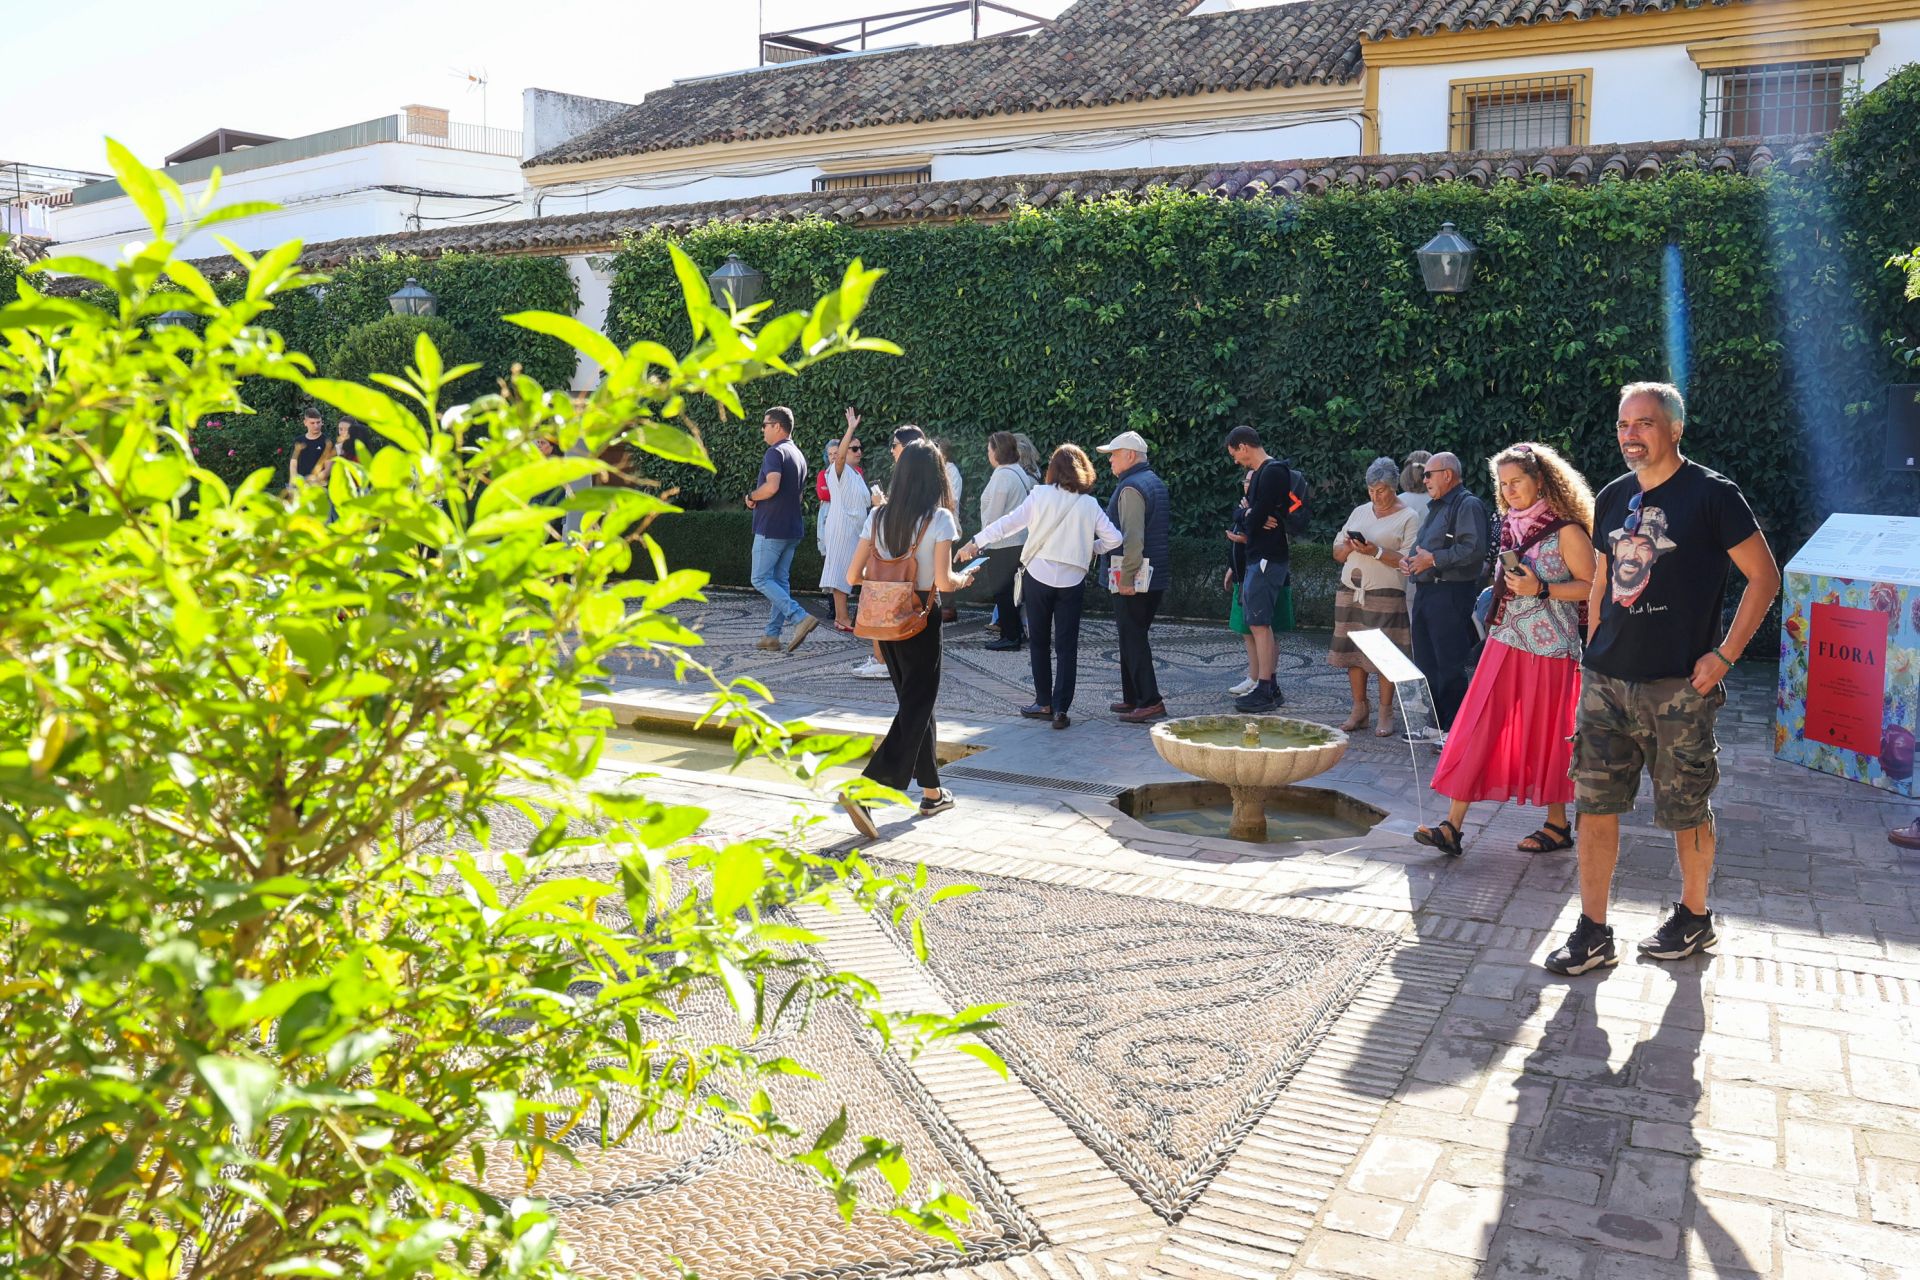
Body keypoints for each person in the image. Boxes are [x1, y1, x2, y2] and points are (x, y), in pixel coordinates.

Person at [1546, 382, 1779, 975]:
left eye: (1644, 423)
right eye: (1624, 425)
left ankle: (1694, 917)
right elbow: (1602, 579)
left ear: (1675, 429)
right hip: (1606, 680)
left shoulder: (1712, 495)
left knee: (1686, 807)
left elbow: (1764, 577)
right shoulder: (1613, 495)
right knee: (1594, 804)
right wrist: (1594, 645)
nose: (1631, 435)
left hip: (1678, 686)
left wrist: (1724, 656)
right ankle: (1593, 932)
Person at [1413, 443, 1596, 857]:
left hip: (1551, 650)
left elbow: (1592, 586)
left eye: (1517, 482)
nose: (1509, 491)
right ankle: (1452, 826)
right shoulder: (1510, 525)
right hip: (1504, 641)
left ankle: (1557, 825)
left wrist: (1541, 587)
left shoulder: (1567, 530)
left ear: (1540, 481)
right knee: (1477, 725)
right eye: (1503, 484)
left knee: (1549, 734)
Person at [839, 441, 977, 839]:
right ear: (935, 477)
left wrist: (887, 582)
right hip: (919, 618)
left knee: (916, 706)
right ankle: (865, 790)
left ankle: (932, 793)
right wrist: (965, 579)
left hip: (884, 620)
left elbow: (852, 576)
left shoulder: (878, 516)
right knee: (918, 705)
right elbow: (943, 582)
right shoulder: (940, 519)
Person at [957, 444, 1122, 730]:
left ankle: (1043, 702)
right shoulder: (1089, 504)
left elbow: (1008, 524)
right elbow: (1115, 540)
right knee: (1067, 647)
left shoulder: (1040, 495)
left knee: (1040, 642)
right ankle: (1061, 710)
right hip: (1073, 580)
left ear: (1053, 469)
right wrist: (1088, 547)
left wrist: (975, 542)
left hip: (1038, 576)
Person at [1329, 457, 1422, 735]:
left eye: (1380, 490)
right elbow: (1337, 553)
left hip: (1386, 595)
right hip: (1351, 592)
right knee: (1352, 653)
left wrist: (1376, 551)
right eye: (1371, 490)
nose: (1375, 496)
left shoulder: (1409, 517)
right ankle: (1359, 708)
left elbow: (1408, 560)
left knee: (1385, 654)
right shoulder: (1359, 512)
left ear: (1394, 487)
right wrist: (1349, 547)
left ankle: (1385, 711)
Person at [1402, 451, 1488, 732]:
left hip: (1450, 592)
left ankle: (1454, 731)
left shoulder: (1467, 504)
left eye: (1429, 474)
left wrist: (1433, 560)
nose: (1424, 479)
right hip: (1427, 591)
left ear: (1447, 474)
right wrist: (1411, 560)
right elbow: (1423, 546)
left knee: (1449, 664)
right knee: (1426, 661)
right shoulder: (1437, 506)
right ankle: (1436, 726)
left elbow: (1473, 550)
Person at [1097, 431, 1171, 723]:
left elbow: (1133, 538)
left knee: (1133, 637)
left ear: (1130, 455)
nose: (1110, 461)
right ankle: (1133, 698)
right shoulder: (1152, 481)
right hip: (1154, 575)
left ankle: (1150, 701)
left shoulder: (1130, 487)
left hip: (1135, 577)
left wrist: (1126, 577)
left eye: (1114, 455)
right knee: (1132, 635)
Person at [1223, 425, 1292, 711]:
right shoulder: (1264, 472)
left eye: (1235, 454)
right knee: (1258, 622)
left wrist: (1250, 514)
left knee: (1260, 623)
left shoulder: (1272, 472)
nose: (1236, 461)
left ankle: (1265, 688)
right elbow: (1243, 514)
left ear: (1243, 446)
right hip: (1259, 557)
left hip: (1265, 557)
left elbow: (1252, 518)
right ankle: (1268, 685)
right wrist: (1248, 513)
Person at [744, 406, 818, 654]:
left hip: (772, 527)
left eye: (765, 425)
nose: (762, 429)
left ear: (777, 426)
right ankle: (772, 636)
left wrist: (752, 496)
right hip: (792, 528)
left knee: (759, 578)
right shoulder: (798, 455)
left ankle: (800, 617)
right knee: (779, 580)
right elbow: (797, 497)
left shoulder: (775, 452)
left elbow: (772, 486)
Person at [977, 431, 1036, 652]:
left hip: (1002, 543)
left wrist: (981, 541)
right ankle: (1014, 632)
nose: (987, 453)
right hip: (1018, 541)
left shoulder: (1002, 475)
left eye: (989, 449)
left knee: (1003, 591)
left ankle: (1010, 636)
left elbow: (994, 514)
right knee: (1012, 591)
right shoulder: (1018, 471)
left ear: (997, 452)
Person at [819, 407, 871, 632]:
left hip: (857, 530)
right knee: (841, 572)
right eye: (854, 448)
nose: (859, 452)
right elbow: (839, 456)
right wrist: (849, 429)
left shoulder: (857, 474)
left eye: (860, 448)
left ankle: (853, 615)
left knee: (856, 572)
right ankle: (842, 618)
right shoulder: (837, 469)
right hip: (841, 528)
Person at [288, 406, 329, 491]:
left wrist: (313, 482)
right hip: (300, 488)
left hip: (320, 487)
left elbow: (328, 469)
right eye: (312, 423)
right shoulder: (298, 441)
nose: (316, 426)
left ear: (322, 422)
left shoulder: (327, 442)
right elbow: (293, 464)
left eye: (318, 422)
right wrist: (294, 481)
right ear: (305, 423)